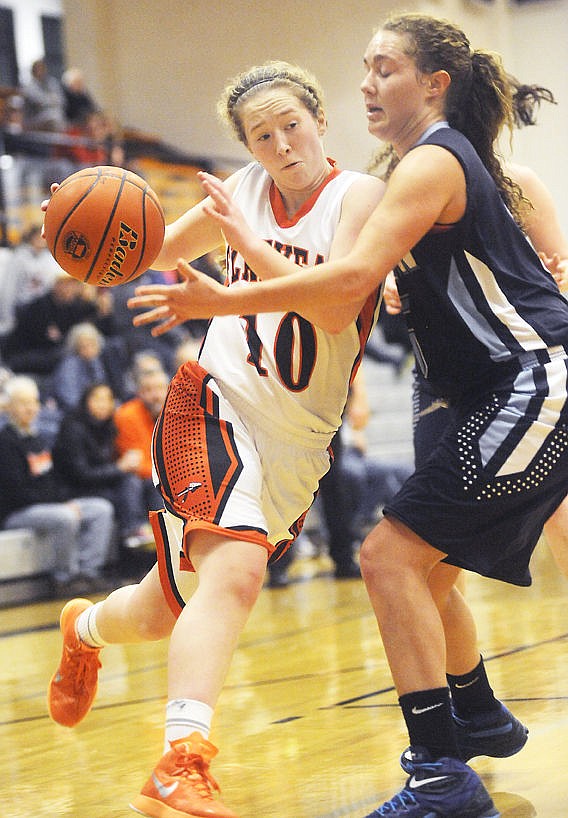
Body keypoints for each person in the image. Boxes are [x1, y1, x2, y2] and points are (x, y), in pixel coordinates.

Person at [129, 15, 568, 818]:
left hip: (529, 377)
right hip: (462, 386)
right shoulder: (399, 169)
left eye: (383, 69)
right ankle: (472, 716)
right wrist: (86, 238)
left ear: (432, 84)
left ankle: (441, 772)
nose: (366, 81)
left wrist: (226, 294)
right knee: (419, 571)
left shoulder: (415, 168)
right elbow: (162, 248)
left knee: (392, 560)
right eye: (363, 69)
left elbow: (343, 289)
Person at [46, 60, 385, 818]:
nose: (281, 144)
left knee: (163, 610)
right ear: (247, 145)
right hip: (214, 401)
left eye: (291, 124)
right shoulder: (244, 192)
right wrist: (81, 223)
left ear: (320, 120)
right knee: (234, 575)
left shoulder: (358, 196)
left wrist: (237, 264)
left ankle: (86, 626)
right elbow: (156, 247)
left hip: (298, 443)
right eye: (261, 136)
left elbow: (334, 308)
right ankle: (182, 759)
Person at [0, 374, 114, 597]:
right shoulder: (5, 443)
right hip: (16, 512)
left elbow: (52, 480)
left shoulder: (39, 438)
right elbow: (16, 493)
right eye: (23, 403)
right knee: (66, 516)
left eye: (33, 401)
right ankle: (64, 578)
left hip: (48, 504)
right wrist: (60, 504)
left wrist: (64, 500)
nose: (30, 408)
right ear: (8, 407)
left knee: (101, 508)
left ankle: (89, 572)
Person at [52, 382, 145, 555]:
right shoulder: (73, 428)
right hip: (73, 489)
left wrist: (126, 465)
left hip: (98, 484)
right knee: (124, 491)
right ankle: (131, 538)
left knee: (138, 482)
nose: (103, 404)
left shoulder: (108, 427)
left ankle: (138, 536)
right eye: (98, 399)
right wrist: (119, 468)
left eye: (108, 399)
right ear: (86, 401)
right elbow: (80, 474)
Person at [113, 363, 169, 547]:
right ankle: (136, 533)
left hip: (161, 474)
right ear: (139, 392)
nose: (155, 395)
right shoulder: (127, 415)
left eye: (160, 388)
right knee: (143, 483)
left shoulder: (176, 411)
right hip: (142, 477)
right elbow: (135, 464)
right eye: (148, 390)